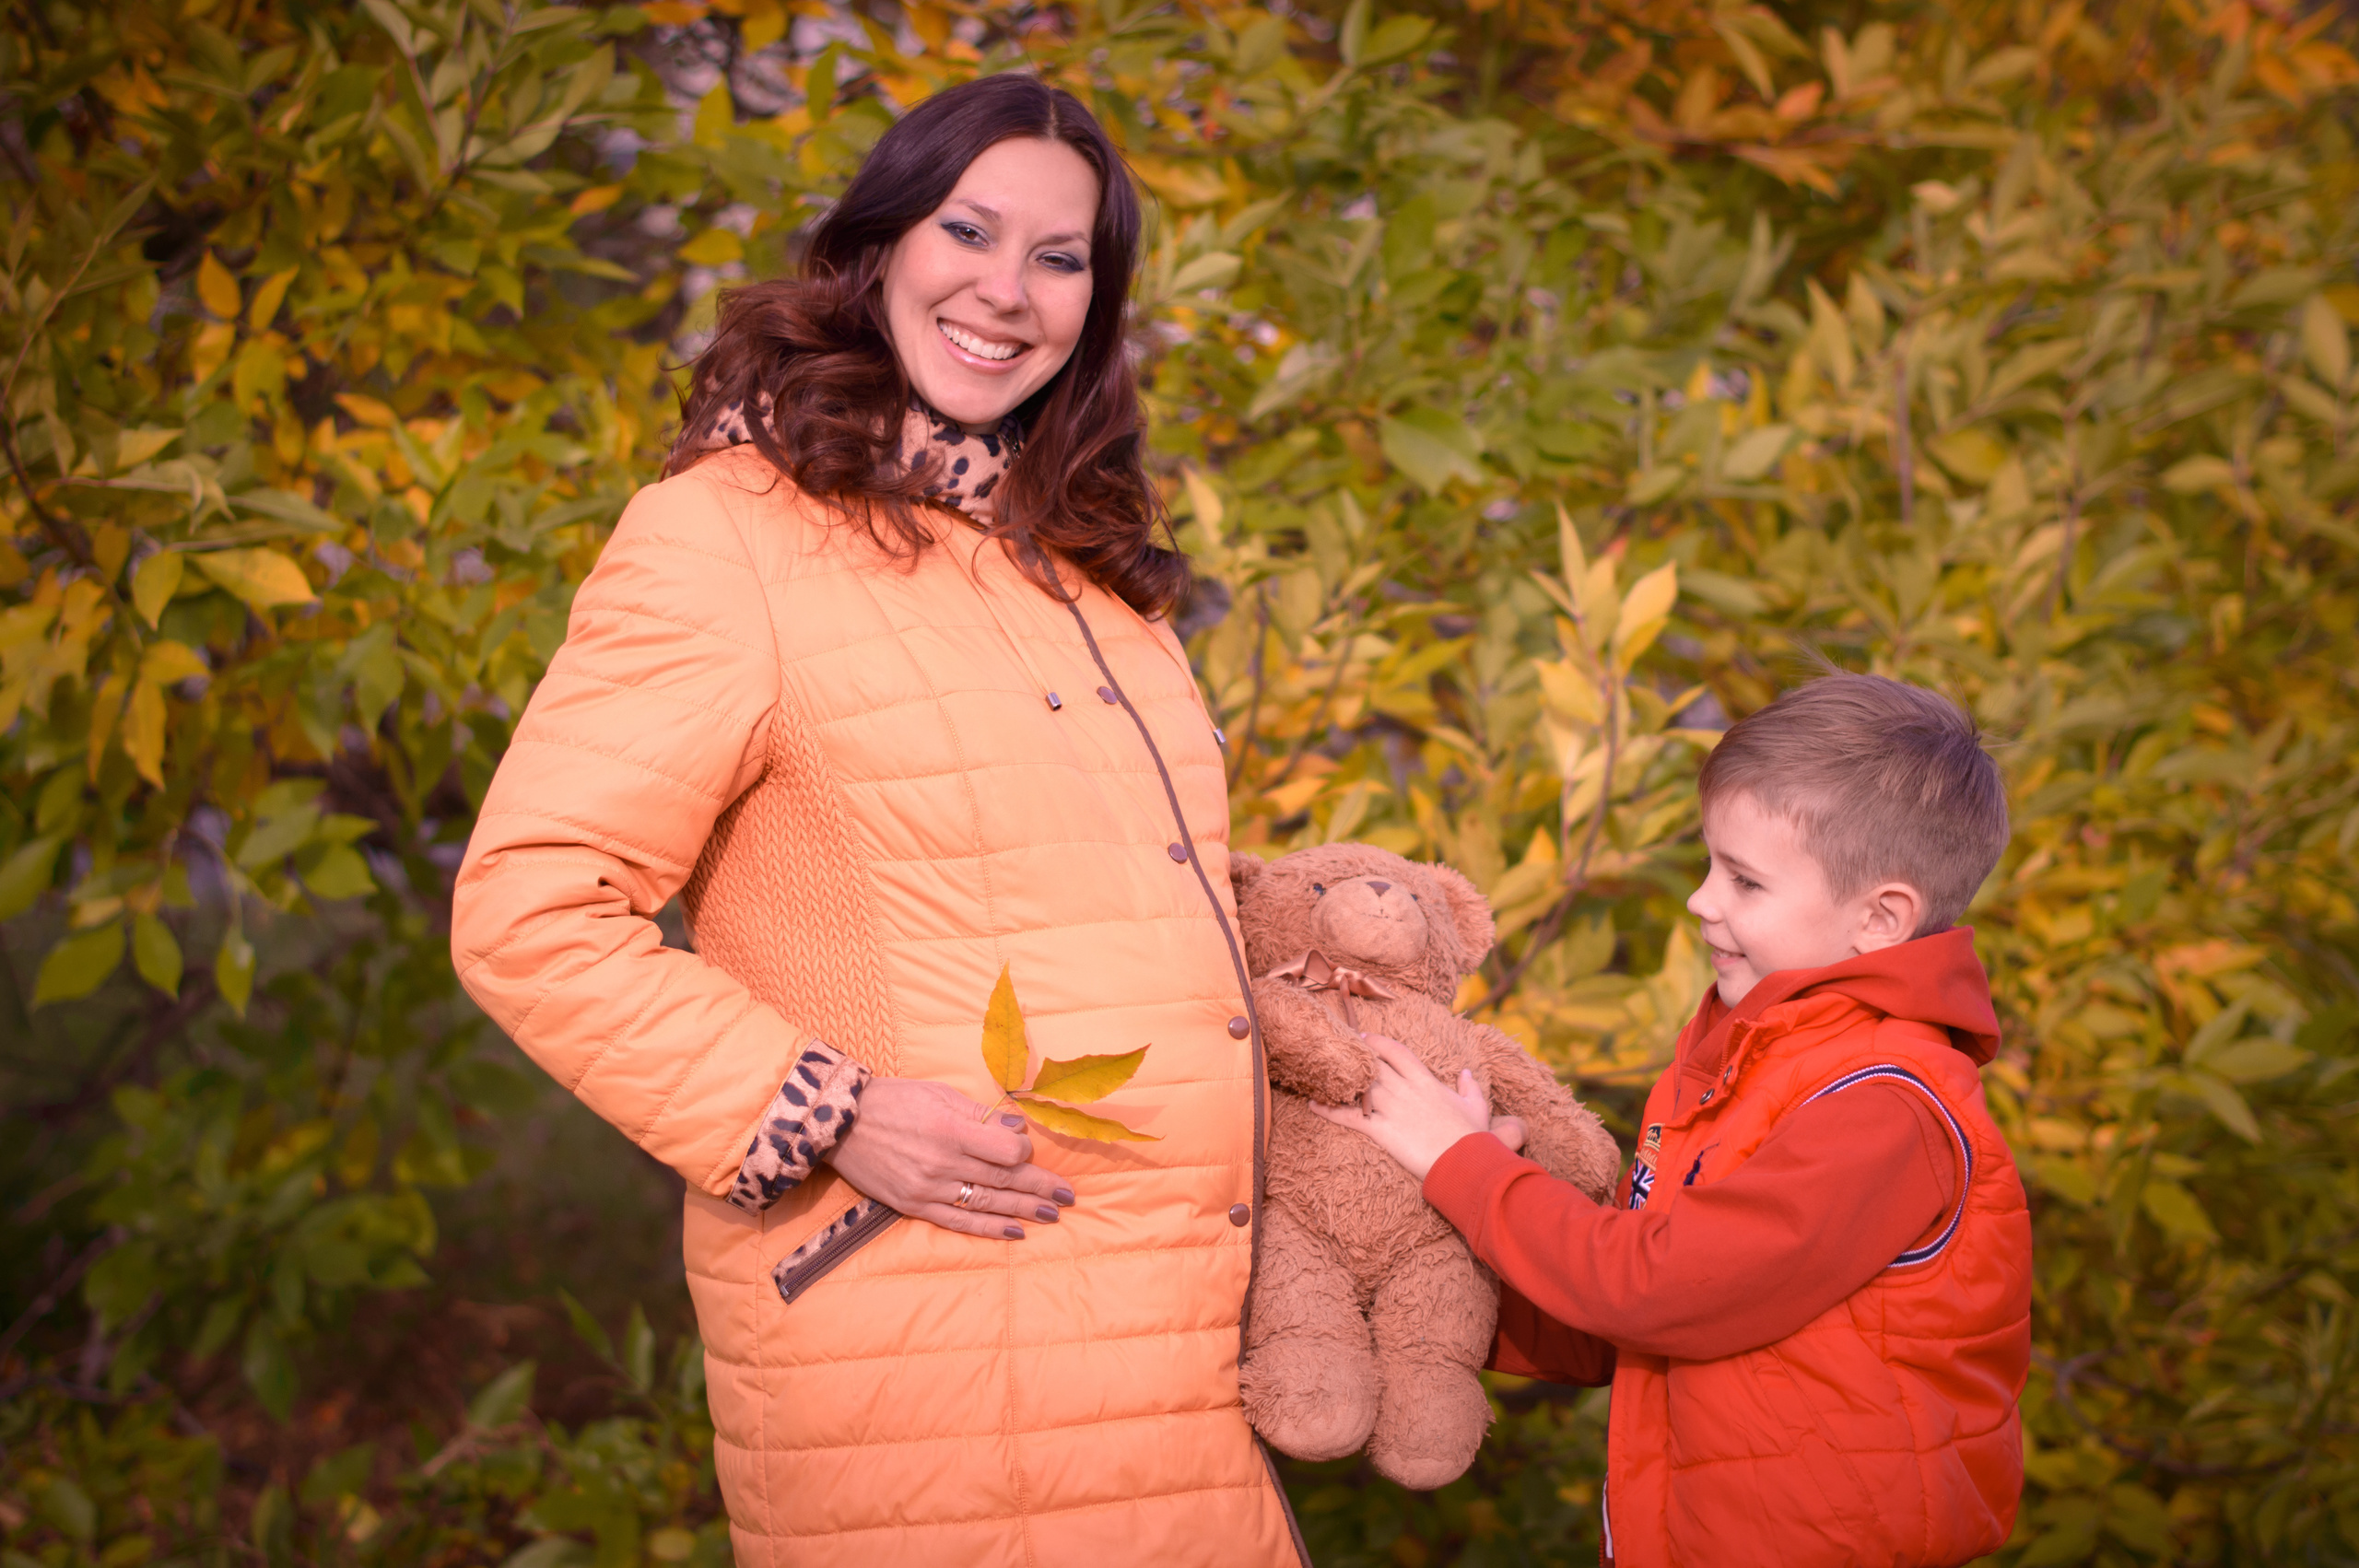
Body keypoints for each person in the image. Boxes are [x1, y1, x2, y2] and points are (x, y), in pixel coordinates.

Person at [451, 74, 1305, 1568]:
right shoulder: (727, 536)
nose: (1007, 289)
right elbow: (529, 907)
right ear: (878, 246)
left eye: (1061, 257)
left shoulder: (1087, 577)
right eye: (968, 229)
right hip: (931, 1359)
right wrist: (830, 1111)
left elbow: (1079, 913)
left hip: (1162, 1360)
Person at [1317, 673, 2033, 1568]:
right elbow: (1629, 1312)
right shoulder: (1749, 1056)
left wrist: (1465, 1164)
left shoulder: (1887, 1109)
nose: (1701, 900)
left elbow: (1654, 1292)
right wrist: (1413, 1276)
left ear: (1879, 918)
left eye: (1744, 880)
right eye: (1708, 864)